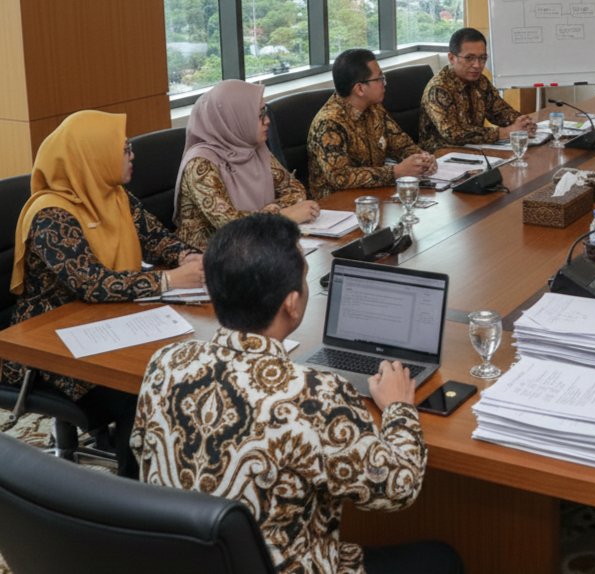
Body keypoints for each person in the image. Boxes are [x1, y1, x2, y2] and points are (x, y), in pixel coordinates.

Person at [131, 214, 462, 574]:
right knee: (441, 559)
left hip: (182, 562)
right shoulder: (315, 393)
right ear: (292, 303)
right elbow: (399, 487)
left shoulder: (165, 363)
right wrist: (398, 408)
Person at [7, 111, 203, 475]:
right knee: (144, 394)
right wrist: (170, 281)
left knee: (178, 368)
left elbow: (155, 238)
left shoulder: (112, 195)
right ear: (91, 156)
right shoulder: (50, 215)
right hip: (51, 345)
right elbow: (92, 283)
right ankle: (135, 501)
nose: (132, 155)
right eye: (124, 149)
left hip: (110, 322)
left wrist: (186, 257)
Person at [174, 79, 319, 249]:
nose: (267, 121)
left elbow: (295, 191)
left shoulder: (252, 148)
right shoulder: (200, 164)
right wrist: (283, 216)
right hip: (211, 259)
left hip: (258, 246)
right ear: (233, 118)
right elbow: (230, 225)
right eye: (259, 115)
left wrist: (268, 213)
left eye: (265, 113)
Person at [308, 48, 437, 199]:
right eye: (380, 79)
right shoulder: (329, 123)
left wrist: (422, 160)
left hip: (374, 195)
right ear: (360, 89)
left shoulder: (374, 109)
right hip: (338, 205)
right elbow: (340, 177)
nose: (385, 83)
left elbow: (402, 145)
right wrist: (395, 172)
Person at [418, 27, 536, 152]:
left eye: (482, 58)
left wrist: (522, 122)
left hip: (475, 149)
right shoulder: (439, 89)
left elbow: (499, 111)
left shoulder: (480, 81)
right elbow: (454, 134)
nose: (477, 65)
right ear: (452, 58)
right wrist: (506, 132)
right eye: (469, 58)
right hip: (442, 156)